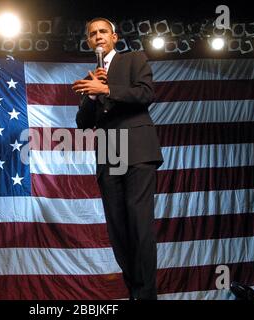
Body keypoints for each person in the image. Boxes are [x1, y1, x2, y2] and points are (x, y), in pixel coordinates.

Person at [72, 17, 163, 300]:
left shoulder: (134, 59)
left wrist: (108, 90)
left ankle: (146, 295)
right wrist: (92, 94)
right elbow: (83, 123)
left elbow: (145, 94)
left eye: (103, 32)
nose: (98, 36)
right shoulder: (92, 78)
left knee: (138, 223)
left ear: (114, 37)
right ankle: (136, 292)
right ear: (88, 41)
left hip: (136, 148)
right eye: (92, 34)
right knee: (119, 229)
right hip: (110, 151)